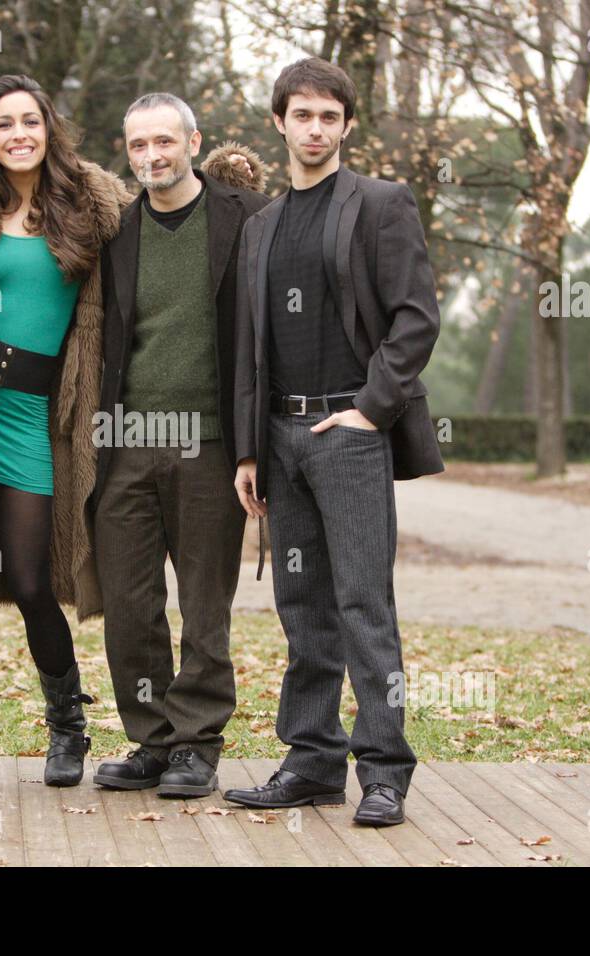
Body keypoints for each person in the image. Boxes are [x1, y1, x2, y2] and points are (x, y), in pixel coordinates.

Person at [0, 75, 261, 792]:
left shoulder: (91, 207)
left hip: (45, 416)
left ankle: (79, 727)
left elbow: (190, 206)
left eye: (29, 121)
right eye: (4, 124)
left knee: (40, 579)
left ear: (49, 129)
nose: (17, 136)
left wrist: (227, 176)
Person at [226, 58, 444, 826]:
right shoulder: (261, 225)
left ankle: (384, 771)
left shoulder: (382, 205)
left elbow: (416, 319)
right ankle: (311, 762)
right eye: (302, 115)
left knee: (363, 604)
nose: (315, 128)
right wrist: (248, 450)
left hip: (348, 437)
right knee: (301, 606)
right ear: (279, 122)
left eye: (329, 116)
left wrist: (368, 411)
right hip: (279, 439)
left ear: (347, 125)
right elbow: (251, 348)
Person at [91, 93, 270, 798]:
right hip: (127, 444)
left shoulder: (247, 220)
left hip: (211, 445)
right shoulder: (117, 233)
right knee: (130, 606)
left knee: (203, 605)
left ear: (194, 142)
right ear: (125, 150)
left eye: (164, 142)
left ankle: (197, 743)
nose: (151, 157)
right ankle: (152, 740)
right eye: (137, 146)